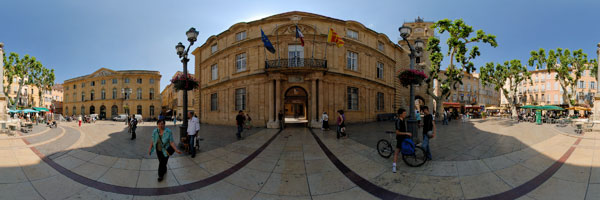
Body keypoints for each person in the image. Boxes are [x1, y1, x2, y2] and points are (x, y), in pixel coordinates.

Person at [392, 108, 412, 173]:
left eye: (405, 113)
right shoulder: (398, 121)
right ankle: (394, 166)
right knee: (396, 152)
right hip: (400, 139)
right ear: (400, 114)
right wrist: (406, 133)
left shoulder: (403, 119)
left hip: (404, 138)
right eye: (404, 113)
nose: (405, 114)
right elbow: (397, 132)